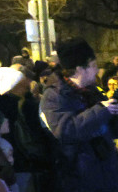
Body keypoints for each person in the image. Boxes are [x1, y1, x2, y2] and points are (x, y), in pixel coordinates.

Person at [39, 37, 118, 191]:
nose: (96, 70)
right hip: (79, 178)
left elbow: (110, 128)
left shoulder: (92, 91)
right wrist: (102, 110)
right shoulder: (54, 96)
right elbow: (66, 130)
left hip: (106, 173)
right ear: (80, 69)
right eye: (93, 66)